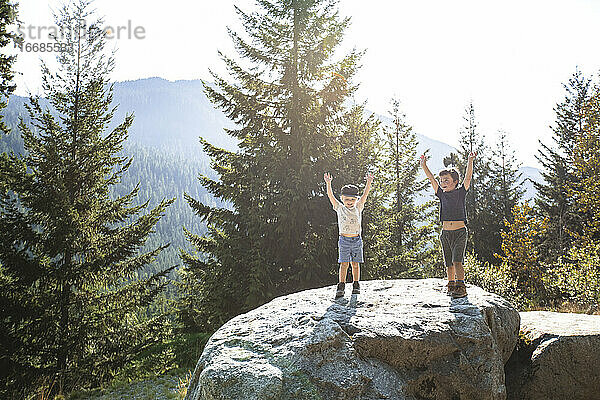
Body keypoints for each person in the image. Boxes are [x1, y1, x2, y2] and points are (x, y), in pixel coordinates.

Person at [419, 152, 476, 298]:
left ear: (455, 181)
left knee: (457, 260)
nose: (443, 182)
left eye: (446, 180)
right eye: (442, 180)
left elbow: (468, 177)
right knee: (448, 262)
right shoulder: (441, 194)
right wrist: (424, 165)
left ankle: (461, 286)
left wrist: (470, 160)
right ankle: (451, 285)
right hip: (445, 234)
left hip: (460, 232)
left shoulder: (461, 192)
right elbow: (431, 178)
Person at [324, 172, 373, 298]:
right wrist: (328, 183)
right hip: (344, 240)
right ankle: (341, 285)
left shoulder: (359, 207)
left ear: (356, 199)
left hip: (356, 240)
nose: (350, 202)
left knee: (355, 264)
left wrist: (368, 182)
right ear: (342, 198)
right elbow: (330, 196)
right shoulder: (339, 208)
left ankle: (356, 284)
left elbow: (365, 195)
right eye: (347, 199)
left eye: (352, 199)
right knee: (344, 263)